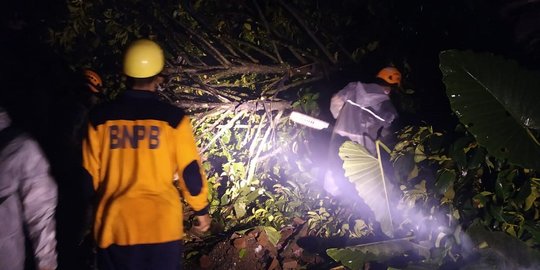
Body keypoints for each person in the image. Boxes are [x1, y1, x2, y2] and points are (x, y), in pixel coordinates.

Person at [82, 39, 211, 270]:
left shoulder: (99, 119)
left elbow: (87, 179)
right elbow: (190, 172)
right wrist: (201, 210)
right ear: (159, 77)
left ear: (124, 74)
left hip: (114, 228)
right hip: (162, 229)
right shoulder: (173, 119)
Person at [324, 67, 401, 197]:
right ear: (389, 88)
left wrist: (342, 118)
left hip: (339, 136)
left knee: (333, 174)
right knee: (357, 185)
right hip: (363, 146)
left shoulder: (354, 87)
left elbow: (335, 105)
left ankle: (326, 204)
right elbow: (388, 135)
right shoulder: (387, 106)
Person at [0, 106, 58, 270]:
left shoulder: (20, 147)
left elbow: (40, 212)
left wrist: (46, 262)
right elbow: (40, 214)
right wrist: (47, 262)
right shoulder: (21, 146)